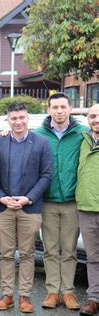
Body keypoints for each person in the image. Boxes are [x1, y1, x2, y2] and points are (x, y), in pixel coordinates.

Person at [0, 103, 52, 313]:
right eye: (14, 118)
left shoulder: (41, 143)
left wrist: (28, 198)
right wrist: (1, 198)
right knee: (6, 254)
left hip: (29, 207)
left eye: (22, 118)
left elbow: (46, 175)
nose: (18, 122)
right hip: (4, 207)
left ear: (28, 118)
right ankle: (7, 295)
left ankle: (25, 297)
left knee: (27, 254)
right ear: (8, 120)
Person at [35, 92, 88, 310]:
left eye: (63, 107)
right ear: (49, 110)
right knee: (50, 249)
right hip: (47, 201)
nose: (59, 111)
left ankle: (68, 293)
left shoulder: (82, 133)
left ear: (70, 109)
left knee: (69, 251)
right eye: (54, 107)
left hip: (71, 201)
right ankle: (52, 292)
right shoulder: (38, 135)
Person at [76, 104, 99, 316]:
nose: (96, 119)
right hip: (86, 208)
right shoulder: (81, 140)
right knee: (92, 258)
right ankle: (94, 299)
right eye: (92, 116)